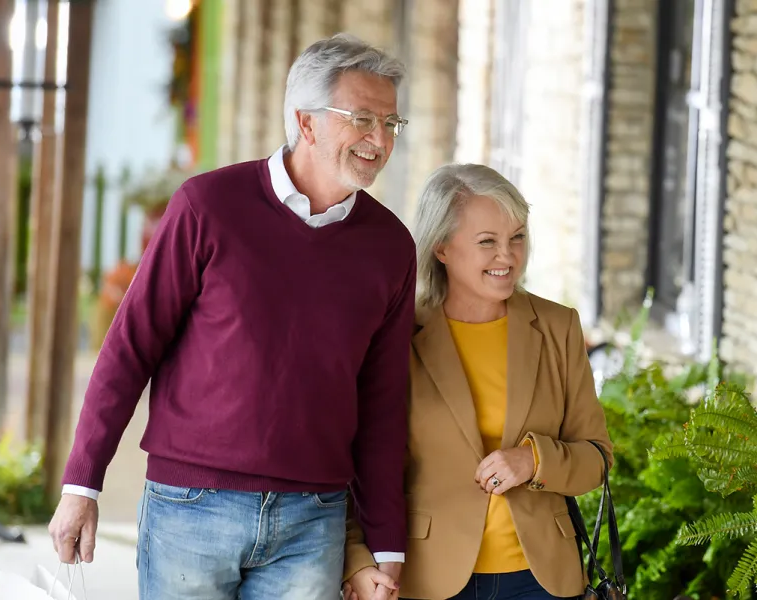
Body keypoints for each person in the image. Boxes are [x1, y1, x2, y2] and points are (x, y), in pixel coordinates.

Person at [48, 33, 415, 600]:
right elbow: (129, 348)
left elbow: (385, 402)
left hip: (313, 520)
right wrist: (82, 484)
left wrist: (385, 546)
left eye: (390, 124)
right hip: (190, 508)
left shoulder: (391, 246)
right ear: (307, 122)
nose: (379, 139)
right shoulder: (207, 207)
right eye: (362, 118)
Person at [342, 163, 613, 600]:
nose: (507, 257)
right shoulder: (396, 334)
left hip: (541, 579)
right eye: (487, 241)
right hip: (427, 579)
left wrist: (533, 462)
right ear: (442, 247)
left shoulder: (559, 327)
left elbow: (597, 457)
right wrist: (357, 560)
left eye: (517, 238)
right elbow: (358, 466)